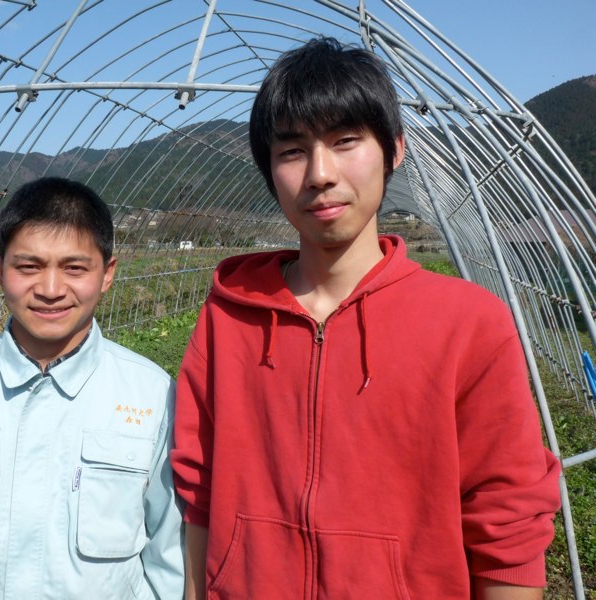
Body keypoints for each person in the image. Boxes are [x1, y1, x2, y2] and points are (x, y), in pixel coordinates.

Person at [171, 37, 561, 599]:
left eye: (345, 141)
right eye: (292, 151)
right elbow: (200, 483)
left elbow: (507, 517)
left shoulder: (468, 323)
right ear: (269, 169)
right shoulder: (229, 315)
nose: (320, 173)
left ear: (393, 150)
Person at [0, 177, 184, 599]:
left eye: (75, 268)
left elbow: (169, 562)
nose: (51, 290)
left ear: (107, 274)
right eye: (28, 267)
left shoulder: (153, 397)